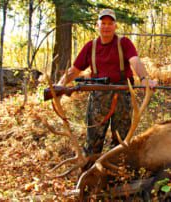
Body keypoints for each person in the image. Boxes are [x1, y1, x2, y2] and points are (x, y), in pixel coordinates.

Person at [57, 8, 157, 160]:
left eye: (110, 23)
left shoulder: (124, 43)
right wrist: (59, 85)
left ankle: (119, 174)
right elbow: (75, 70)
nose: (106, 26)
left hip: (122, 95)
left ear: (115, 26)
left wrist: (144, 79)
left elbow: (135, 61)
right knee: (93, 141)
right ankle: (89, 172)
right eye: (103, 23)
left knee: (121, 139)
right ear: (97, 26)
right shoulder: (90, 47)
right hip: (98, 97)